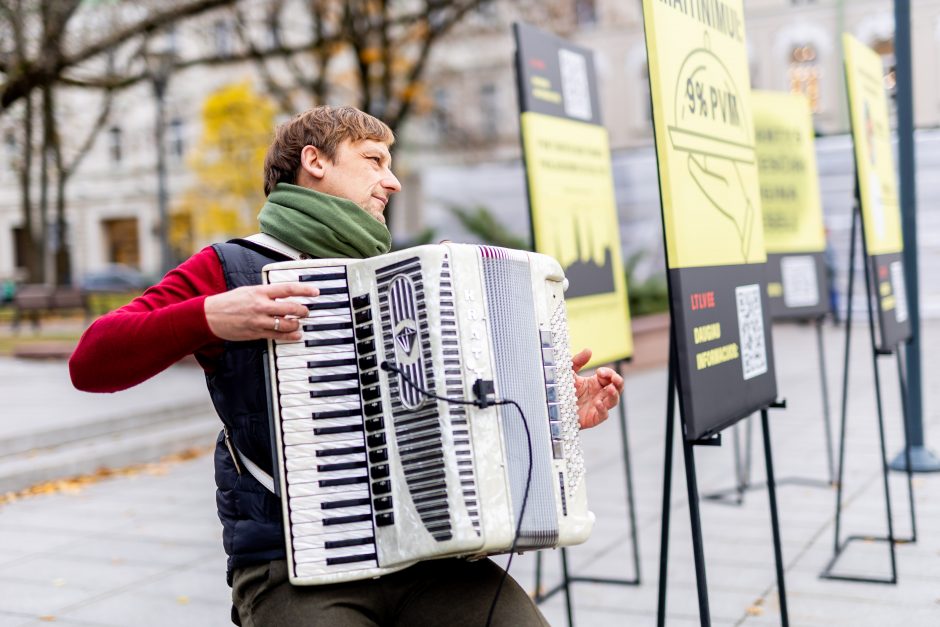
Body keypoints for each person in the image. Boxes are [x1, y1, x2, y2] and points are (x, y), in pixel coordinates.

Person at [69, 105, 624, 626]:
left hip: (430, 555)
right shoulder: (231, 267)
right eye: (374, 160)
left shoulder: (407, 274)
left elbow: (454, 416)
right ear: (315, 161)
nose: (393, 181)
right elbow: (90, 362)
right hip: (293, 565)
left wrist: (550, 409)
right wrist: (209, 314)